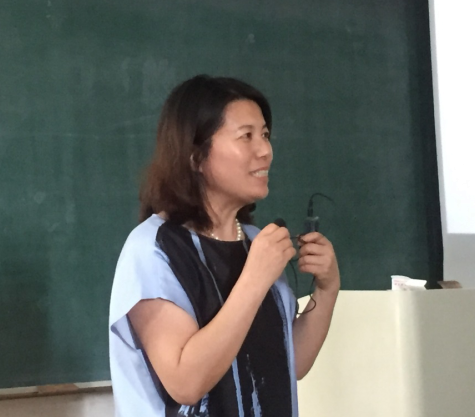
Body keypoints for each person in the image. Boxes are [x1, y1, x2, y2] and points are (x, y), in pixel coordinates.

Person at [109, 75, 340, 417]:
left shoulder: (255, 242)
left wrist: (328, 288)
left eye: (265, 135)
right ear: (195, 155)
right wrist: (255, 279)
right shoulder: (152, 249)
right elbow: (186, 383)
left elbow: (291, 362)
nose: (265, 151)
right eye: (246, 136)